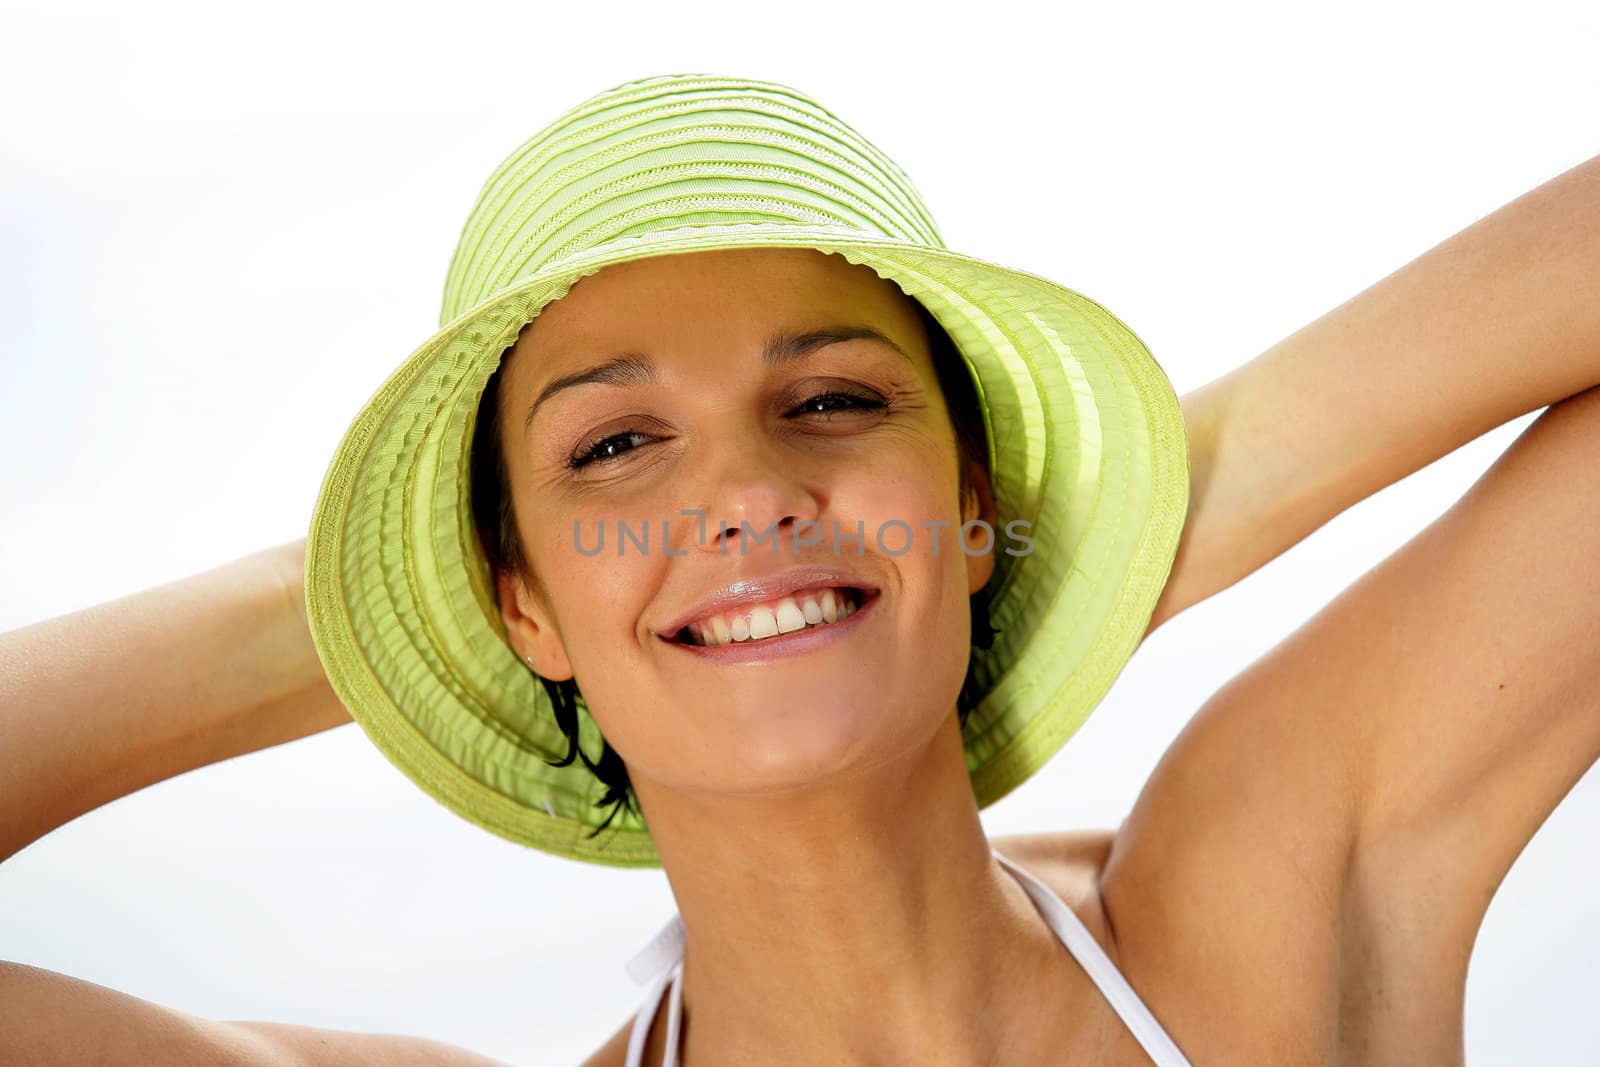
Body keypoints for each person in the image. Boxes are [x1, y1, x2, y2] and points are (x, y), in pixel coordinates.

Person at [3, 73, 1598, 1066]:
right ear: (515, 603)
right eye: (614, 447)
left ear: (975, 501)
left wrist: (1148, 506)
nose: (750, 492)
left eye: (832, 403)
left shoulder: (1280, 901)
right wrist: (367, 611)